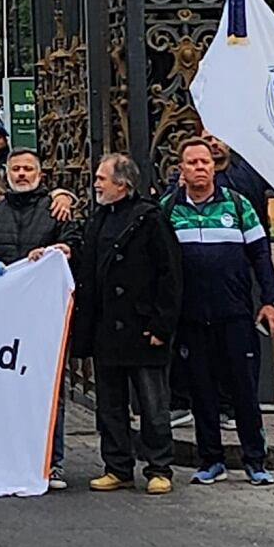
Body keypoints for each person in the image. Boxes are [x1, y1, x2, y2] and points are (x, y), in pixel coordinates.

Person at [164, 137, 274, 487]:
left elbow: (261, 255)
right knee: (201, 391)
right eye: (192, 163)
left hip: (234, 314)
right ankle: (210, 459)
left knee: (243, 390)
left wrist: (270, 301)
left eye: (205, 162)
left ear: (213, 167)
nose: (200, 167)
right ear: (181, 170)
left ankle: (255, 460)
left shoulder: (238, 203)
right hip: (191, 317)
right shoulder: (169, 208)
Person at [0, 148, 81, 489]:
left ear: (40, 174)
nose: (21, 174)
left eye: (28, 168)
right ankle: (4, 458)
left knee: (49, 389)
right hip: (2, 319)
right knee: (1, 387)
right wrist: (4, 272)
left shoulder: (56, 210)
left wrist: (58, 252)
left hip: (43, 319)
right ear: (6, 173)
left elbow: (73, 242)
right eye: (15, 168)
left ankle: (52, 462)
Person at [71, 154, 183, 495]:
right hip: (107, 332)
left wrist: (161, 326)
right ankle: (117, 466)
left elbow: (170, 276)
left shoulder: (150, 219)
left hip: (143, 329)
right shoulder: (98, 219)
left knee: (153, 406)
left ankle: (159, 468)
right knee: (110, 406)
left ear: (122, 184)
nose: (96, 184)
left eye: (102, 178)